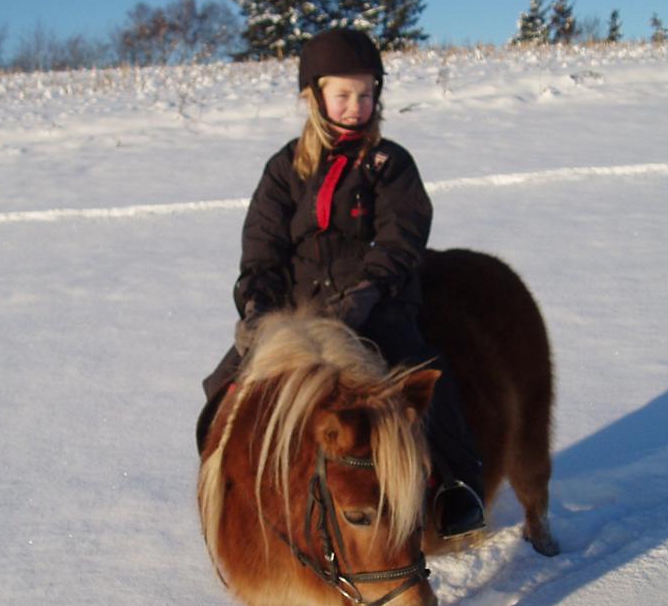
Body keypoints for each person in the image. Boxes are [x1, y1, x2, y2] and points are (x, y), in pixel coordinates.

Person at [198, 28, 485, 539]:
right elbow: (263, 246)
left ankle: (457, 485)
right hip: (299, 314)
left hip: (378, 305)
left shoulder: (390, 164)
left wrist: (368, 294)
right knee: (223, 387)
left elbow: (402, 239)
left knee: (420, 378)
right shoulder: (286, 168)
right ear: (314, 97)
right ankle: (231, 484)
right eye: (343, 94)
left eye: (366, 93)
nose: (356, 105)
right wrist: (258, 308)